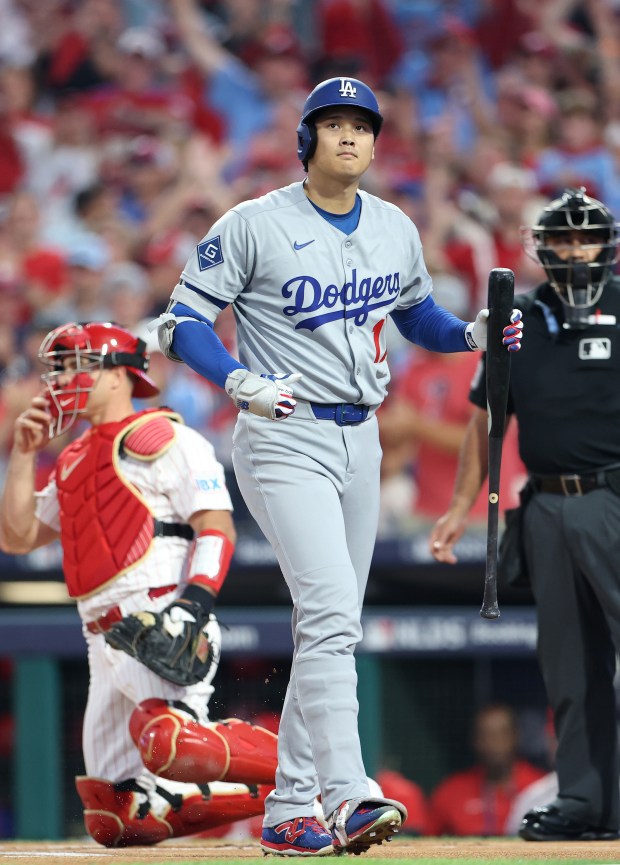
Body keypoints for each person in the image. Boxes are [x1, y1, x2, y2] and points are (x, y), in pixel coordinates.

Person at [151, 76, 523, 857]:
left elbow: (416, 313)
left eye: (363, 125)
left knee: (332, 627)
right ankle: (350, 794)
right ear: (306, 139)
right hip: (284, 433)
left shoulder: (392, 226)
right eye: (334, 124)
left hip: (363, 438)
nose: (350, 136)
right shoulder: (255, 222)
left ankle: (289, 807)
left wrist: (469, 336)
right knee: (328, 615)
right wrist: (234, 378)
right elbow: (180, 319)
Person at [0, 321, 278, 848]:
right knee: (116, 814)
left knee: (170, 743)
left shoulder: (165, 435)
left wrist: (192, 605)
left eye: (78, 365)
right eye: (59, 368)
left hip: (158, 615)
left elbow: (215, 525)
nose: (63, 379)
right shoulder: (74, 456)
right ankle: (287, 791)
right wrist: (21, 452)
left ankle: (318, 779)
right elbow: (16, 537)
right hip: (100, 637)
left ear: (119, 375)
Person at [430, 186, 620, 842]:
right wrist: (459, 504)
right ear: (544, 247)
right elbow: (487, 414)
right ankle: (587, 800)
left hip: (614, 497)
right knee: (569, 662)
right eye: (563, 238)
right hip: (544, 505)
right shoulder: (518, 318)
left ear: (607, 244)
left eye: (585, 237)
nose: (574, 249)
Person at [426, 703, 545, 836]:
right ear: (475, 740)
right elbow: (427, 842)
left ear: (516, 736)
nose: (494, 742)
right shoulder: (451, 791)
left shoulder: (540, 788)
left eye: (502, 733)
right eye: (485, 735)